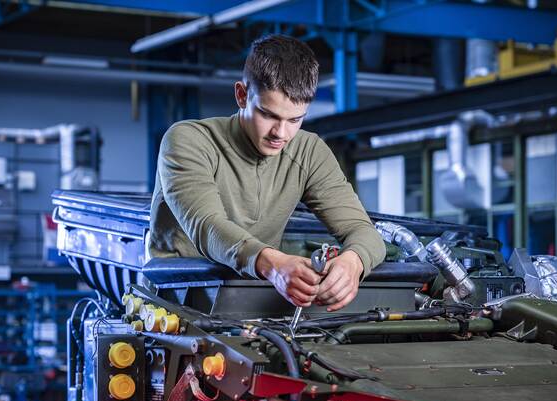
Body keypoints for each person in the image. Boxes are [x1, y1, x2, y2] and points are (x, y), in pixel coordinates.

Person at [148, 34, 385, 312]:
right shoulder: (187, 141)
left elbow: (364, 231)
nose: (280, 133)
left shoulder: (308, 151)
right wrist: (273, 264)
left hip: (255, 298)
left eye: (295, 119)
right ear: (241, 95)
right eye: (268, 114)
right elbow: (208, 226)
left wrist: (353, 261)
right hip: (177, 302)